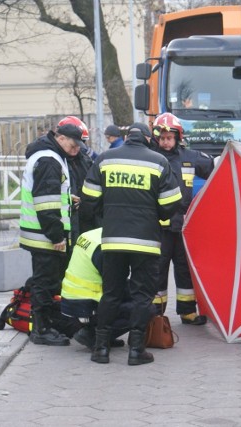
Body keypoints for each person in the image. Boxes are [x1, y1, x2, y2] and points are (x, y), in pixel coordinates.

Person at [80, 122, 181, 365]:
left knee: (111, 294)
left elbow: (88, 199)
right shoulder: (159, 162)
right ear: (148, 139)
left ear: (126, 138)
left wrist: (103, 218)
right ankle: (136, 351)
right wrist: (158, 216)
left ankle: (101, 349)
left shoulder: (105, 159)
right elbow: (172, 201)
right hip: (146, 242)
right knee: (141, 297)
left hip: (113, 240)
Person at [19, 122, 86, 346]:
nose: (77, 149)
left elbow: (51, 195)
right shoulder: (49, 159)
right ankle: (41, 329)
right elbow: (45, 203)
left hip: (40, 234)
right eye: (74, 144)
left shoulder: (51, 156)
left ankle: (47, 325)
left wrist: (68, 200)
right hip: (44, 236)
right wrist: (56, 236)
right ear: (61, 138)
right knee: (44, 282)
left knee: (46, 281)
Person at [152, 113, 214, 326]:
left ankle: (187, 312)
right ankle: (156, 314)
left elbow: (215, 169)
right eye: (162, 138)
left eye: (169, 137)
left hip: (183, 226)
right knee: (158, 271)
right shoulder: (151, 158)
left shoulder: (191, 157)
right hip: (158, 227)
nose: (165, 142)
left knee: (184, 270)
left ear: (178, 137)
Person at [60, 227, 132, 350]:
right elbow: (114, 283)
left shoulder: (91, 235)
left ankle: (102, 334)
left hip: (71, 299)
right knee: (144, 308)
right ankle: (94, 337)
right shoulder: (104, 248)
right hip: (86, 304)